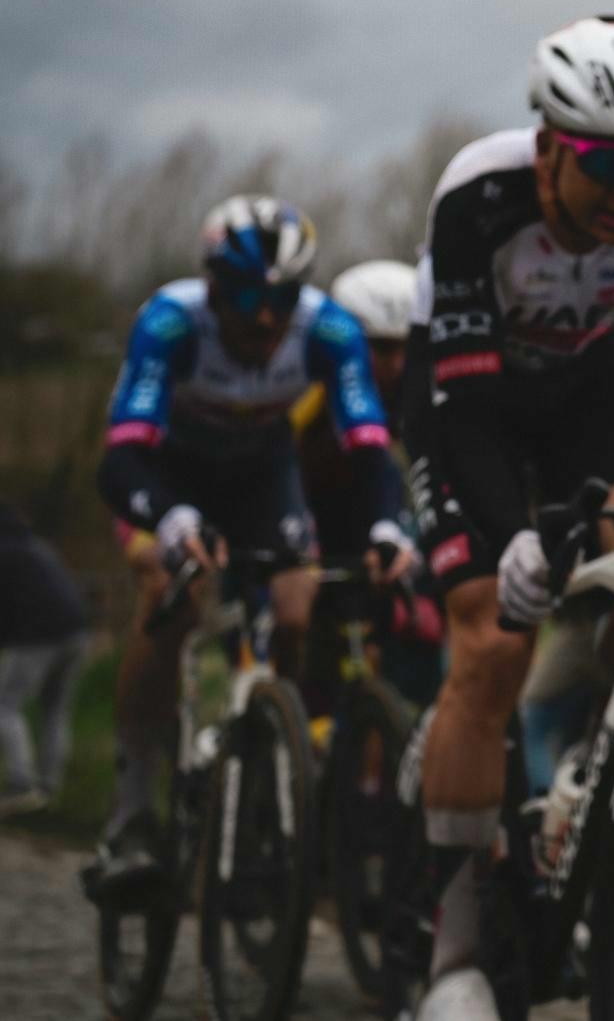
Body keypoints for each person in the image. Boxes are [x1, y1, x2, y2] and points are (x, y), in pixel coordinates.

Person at [399, 14, 614, 1019]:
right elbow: (464, 404)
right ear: (546, 150)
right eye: (606, 162)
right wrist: (515, 535)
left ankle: (603, 759)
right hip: (465, 395)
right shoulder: (478, 196)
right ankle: (452, 953)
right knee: (490, 632)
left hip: (585, 384)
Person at [87, 196, 414, 895]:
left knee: (297, 604)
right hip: (167, 470)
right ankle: (134, 808)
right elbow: (118, 461)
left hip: (262, 472)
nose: (263, 317)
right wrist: (171, 521)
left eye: (280, 297)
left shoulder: (327, 329)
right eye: (242, 296)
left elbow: (370, 452)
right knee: (165, 591)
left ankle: (272, 764)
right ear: (211, 283)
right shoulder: (171, 321)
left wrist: (389, 526)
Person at [293, 259, 444, 710]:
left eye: (406, 349)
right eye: (380, 349)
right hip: (305, 523)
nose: (395, 365)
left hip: (377, 529)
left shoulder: (418, 395)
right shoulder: (308, 390)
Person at [0, 502, 90, 817]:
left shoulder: (6, 554)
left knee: (4, 704)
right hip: (77, 631)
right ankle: (48, 791)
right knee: (55, 710)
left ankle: (22, 783)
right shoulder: (37, 546)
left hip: (39, 635)